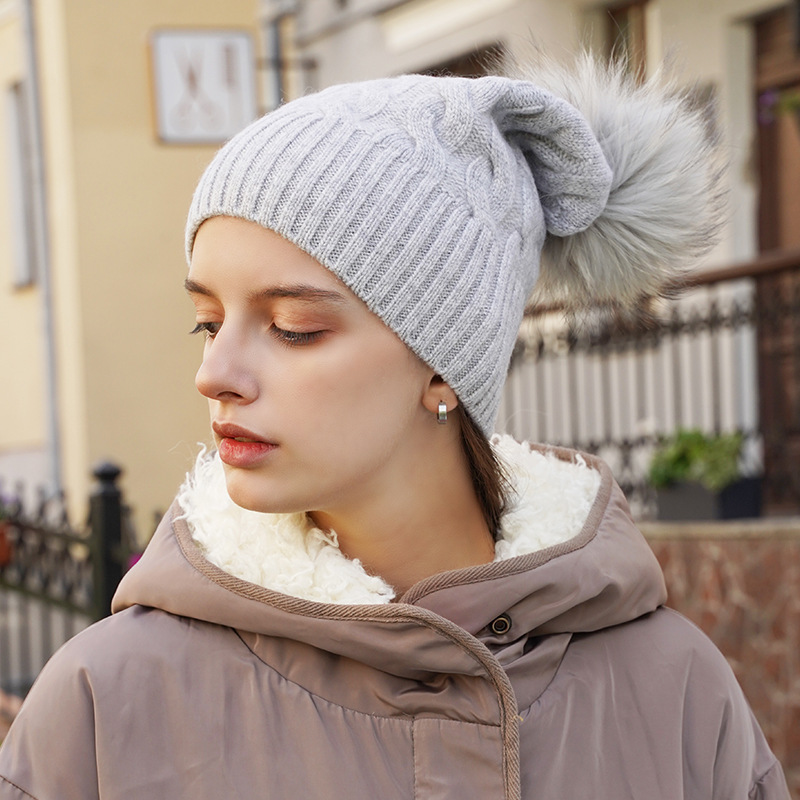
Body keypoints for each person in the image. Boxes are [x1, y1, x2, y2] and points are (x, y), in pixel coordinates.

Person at [0, 54, 790, 799]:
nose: (215, 373)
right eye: (207, 322)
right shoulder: (104, 703)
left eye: (293, 327)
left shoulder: (674, 687)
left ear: (444, 362)